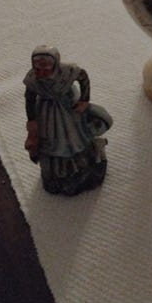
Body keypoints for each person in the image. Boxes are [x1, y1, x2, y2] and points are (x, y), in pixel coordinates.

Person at [23, 45, 112, 195]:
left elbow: (83, 77)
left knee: (76, 138)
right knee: (52, 142)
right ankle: (59, 170)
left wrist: (84, 100)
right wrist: (32, 121)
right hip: (46, 114)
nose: (42, 73)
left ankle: (81, 163)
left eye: (46, 69)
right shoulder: (33, 79)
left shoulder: (67, 72)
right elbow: (30, 99)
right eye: (38, 69)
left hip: (70, 110)